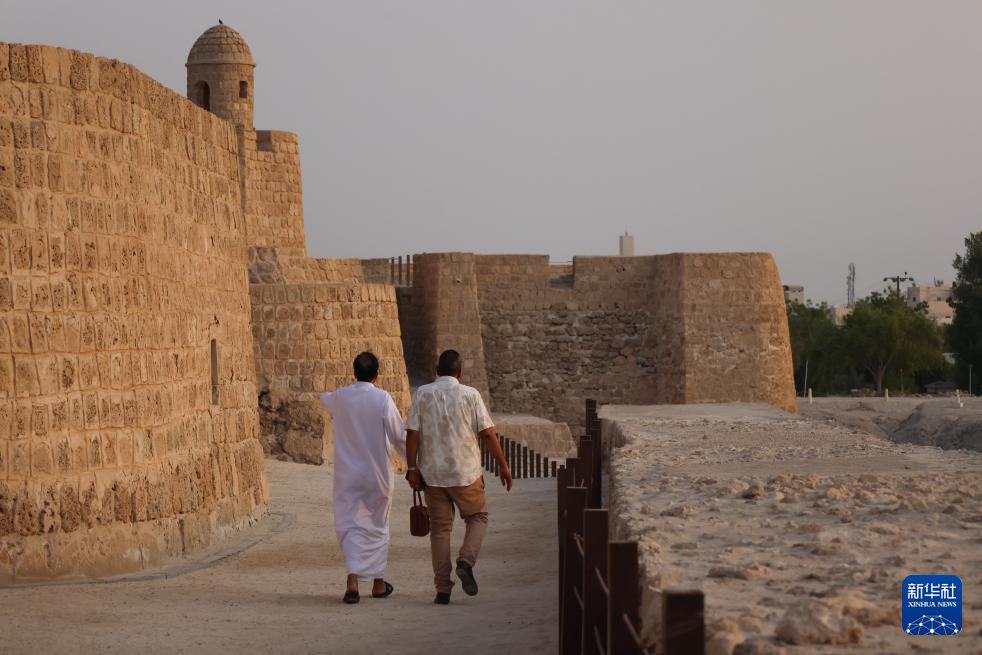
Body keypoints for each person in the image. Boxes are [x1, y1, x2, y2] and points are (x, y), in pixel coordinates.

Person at [405, 349, 513, 605]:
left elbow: (412, 434)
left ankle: (442, 590)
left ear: (436, 370)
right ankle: (466, 560)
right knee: (478, 517)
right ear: (459, 372)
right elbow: (488, 434)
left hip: (433, 475)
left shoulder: (422, 394)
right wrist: (503, 466)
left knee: (440, 530)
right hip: (466, 473)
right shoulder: (470, 395)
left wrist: (412, 468)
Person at [320, 352, 406, 604]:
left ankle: (352, 580)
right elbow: (399, 436)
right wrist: (414, 464)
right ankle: (378, 583)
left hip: (348, 476)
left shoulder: (341, 397)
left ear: (354, 372)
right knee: (377, 526)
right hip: (377, 475)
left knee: (349, 524)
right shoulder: (382, 399)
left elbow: (324, 398)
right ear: (376, 375)